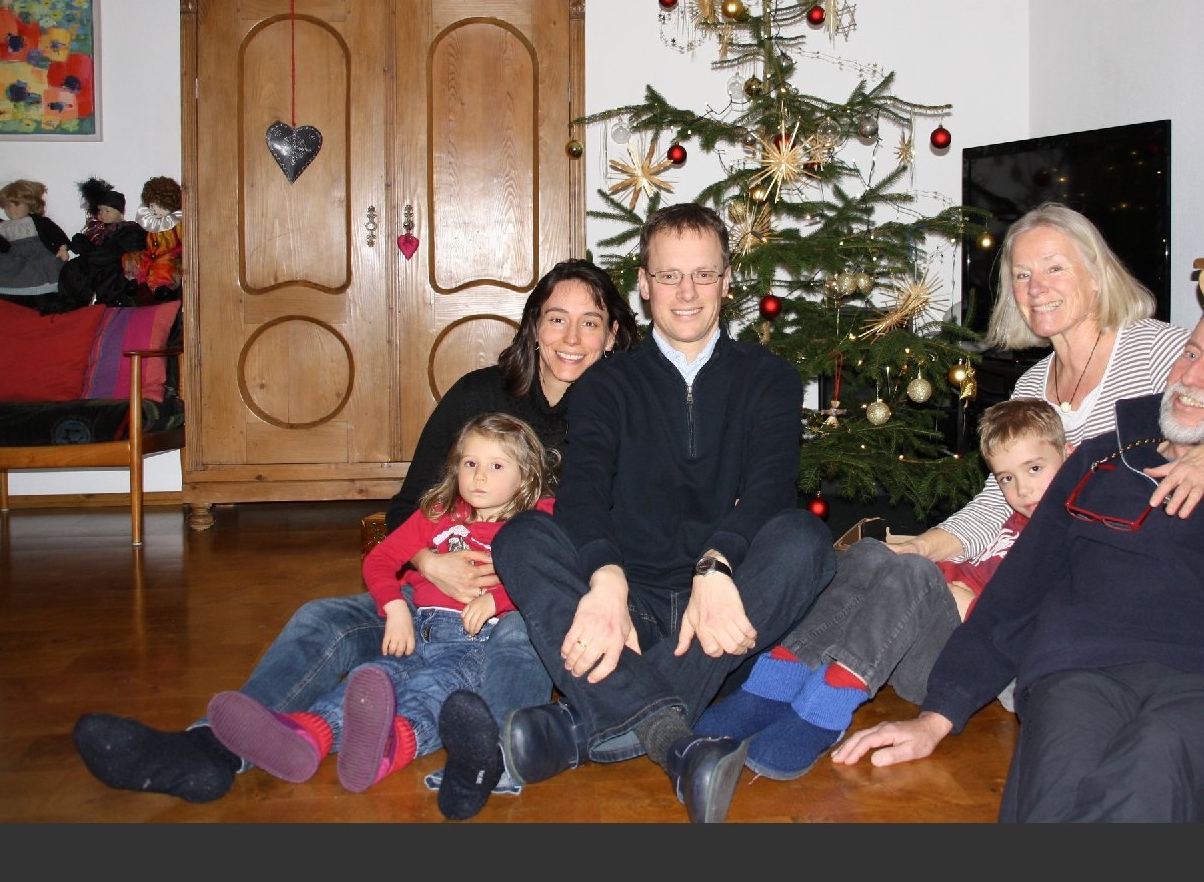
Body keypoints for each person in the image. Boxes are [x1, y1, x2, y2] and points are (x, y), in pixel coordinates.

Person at [831, 306, 1204, 823]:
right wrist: (937, 716)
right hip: (1078, 670)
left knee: (1152, 774)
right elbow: (1017, 591)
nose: (1193, 375)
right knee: (1058, 786)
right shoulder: (1099, 460)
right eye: (1192, 353)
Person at [71, 258, 639, 805]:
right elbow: (408, 508)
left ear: (613, 334)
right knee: (322, 618)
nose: (571, 337)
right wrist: (427, 562)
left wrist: (519, 583)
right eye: (556, 318)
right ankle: (212, 749)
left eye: (590, 322)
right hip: (433, 597)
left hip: (531, 606)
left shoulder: (626, 415)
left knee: (512, 644)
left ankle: (486, 754)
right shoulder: (479, 396)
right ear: (534, 326)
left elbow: (630, 536)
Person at [489, 203, 837, 823]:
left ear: (727, 282)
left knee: (803, 538)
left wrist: (716, 565)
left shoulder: (771, 378)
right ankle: (675, 741)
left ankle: (581, 728)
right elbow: (583, 493)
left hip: (727, 613)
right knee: (522, 537)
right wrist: (606, 579)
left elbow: (768, 490)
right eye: (669, 276)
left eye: (703, 275)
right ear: (644, 285)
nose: (687, 293)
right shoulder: (604, 384)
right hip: (632, 610)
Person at [883, 202, 1204, 577]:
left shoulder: (1156, 350)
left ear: (1096, 276)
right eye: (1022, 275)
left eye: (1054, 268)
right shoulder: (1030, 385)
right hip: (1055, 555)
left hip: (1137, 562)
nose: (1035, 288)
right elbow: (999, 500)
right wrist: (921, 546)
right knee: (891, 574)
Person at [695, 398, 1067, 780]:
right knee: (871, 552)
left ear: (1069, 455)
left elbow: (1049, 627)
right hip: (920, 628)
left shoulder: (1070, 538)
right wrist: (918, 565)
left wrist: (975, 608)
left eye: (1034, 469)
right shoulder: (1016, 520)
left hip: (957, 661)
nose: (1022, 489)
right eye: (1006, 478)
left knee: (915, 571)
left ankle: (828, 708)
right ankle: (776, 680)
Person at [203, 413, 554, 815]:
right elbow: (380, 558)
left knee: (432, 691)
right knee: (371, 682)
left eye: (496, 466)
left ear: (525, 476)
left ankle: (394, 745)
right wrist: (395, 608)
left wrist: (498, 600)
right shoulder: (438, 513)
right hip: (418, 628)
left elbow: (548, 574)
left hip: (474, 642)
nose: (479, 476)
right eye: (470, 463)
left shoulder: (536, 520)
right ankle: (307, 736)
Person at [44, 177, 146, 312]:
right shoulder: (96, 230)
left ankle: (109, 304)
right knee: (72, 268)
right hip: (95, 262)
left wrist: (95, 254)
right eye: (100, 211)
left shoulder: (129, 228)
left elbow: (126, 248)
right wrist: (84, 245)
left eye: (107, 211)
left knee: (111, 277)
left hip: (112, 263)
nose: (103, 214)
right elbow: (83, 246)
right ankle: (70, 305)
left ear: (120, 213)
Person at [0, 178, 69, 308]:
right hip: (10, 263)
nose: (11, 210)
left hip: (38, 260)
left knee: (43, 291)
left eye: (16, 205)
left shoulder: (38, 222)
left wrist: (62, 248)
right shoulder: (1, 227)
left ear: (30, 205)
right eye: (7, 206)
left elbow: (56, 234)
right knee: (5, 286)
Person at [122, 175, 183, 306]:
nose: (154, 210)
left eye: (160, 207)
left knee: (163, 267)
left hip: (167, 255)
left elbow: (182, 242)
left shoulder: (176, 223)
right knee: (132, 259)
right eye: (151, 206)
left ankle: (160, 288)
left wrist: (176, 253)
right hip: (150, 255)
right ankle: (133, 281)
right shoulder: (150, 222)